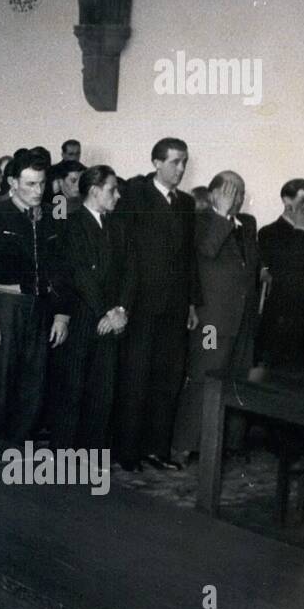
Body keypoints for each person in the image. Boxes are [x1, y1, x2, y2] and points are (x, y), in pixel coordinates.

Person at [112, 138, 200, 472]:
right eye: (175, 162)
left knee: (168, 378)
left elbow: (189, 257)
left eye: (184, 162)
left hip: (175, 307)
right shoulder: (135, 195)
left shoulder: (186, 203)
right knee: (136, 376)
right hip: (142, 303)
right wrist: (122, 303)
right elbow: (124, 250)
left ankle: (157, 448)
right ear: (156, 162)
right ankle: (128, 451)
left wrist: (192, 302)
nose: (181, 169)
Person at [0, 151, 71, 441]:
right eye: (29, 184)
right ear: (12, 182)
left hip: (40, 309)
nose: (37, 191)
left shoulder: (52, 219)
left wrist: (62, 314)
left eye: (41, 184)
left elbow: (62, 270)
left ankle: (18, 449)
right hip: (6, 308)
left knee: (33, 384)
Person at [173, 172, 259, 459]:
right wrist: (221, 213)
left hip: (242, 320)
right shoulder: (199, 221)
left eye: (240, 191)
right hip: (212, 322)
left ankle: (224, 446)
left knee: (236, 382)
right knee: (203, 378)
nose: (237, 198)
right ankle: (185, 444)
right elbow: (207, 251)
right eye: (230, 191)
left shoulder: (246, 225)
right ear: (213, 194)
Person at [55, 165, 134, 450]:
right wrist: (105, 311)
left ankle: (89, 460)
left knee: (103, 395)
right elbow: (79, 273)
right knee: (71, 394)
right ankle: (61, 461)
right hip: (82, 321)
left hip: (111, 322)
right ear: (94, 190)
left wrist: (121, 310)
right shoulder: (71, 223)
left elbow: (130, 272)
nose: (117, 195)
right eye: (112, 189)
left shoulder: (119, 226)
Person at [256, 179, 304, 369]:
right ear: (286, 201)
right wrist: (298, 228)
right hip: (283, 319)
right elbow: (289, 271)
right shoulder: (268, 232)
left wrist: (302, 229)